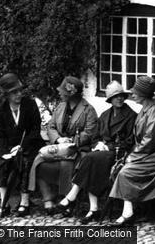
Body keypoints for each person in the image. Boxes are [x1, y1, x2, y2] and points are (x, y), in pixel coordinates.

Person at [59, 80, 137, 224]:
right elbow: (95, 136)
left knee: (90, 159)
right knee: (92, 161)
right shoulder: (105, 115)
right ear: (110, 100)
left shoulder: (131, 116)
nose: (119, 99)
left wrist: (111, 147)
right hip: (103, 153)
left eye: (121, 96)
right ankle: (92, 208)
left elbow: (131, 141)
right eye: (115, 97)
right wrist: (98, 144)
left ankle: (74, 196)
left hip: (119, 154)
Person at [109, 76, 155, 225]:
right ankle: (137, 210)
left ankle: (128, 213)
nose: (132, 95)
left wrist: (133, 157)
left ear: (144, 95)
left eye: (135, 92)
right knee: (121, 168)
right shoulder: (145, 110)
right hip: (150, 153)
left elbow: (150, 140)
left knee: (126, 171)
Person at [28, 76, 98, 215]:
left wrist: (72, 141)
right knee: (38, 162)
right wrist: (59, 140)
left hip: (77, 151)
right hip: (58, 148)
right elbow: (51, 126)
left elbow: (90, 132)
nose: (59, 93)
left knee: (68, 166)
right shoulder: (60, 107)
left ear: (71, 93)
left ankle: (67, 202)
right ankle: (48, 199)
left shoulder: (88, 110)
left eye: (62, 91)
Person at [0, 73, 43, 218]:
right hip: (10, 148)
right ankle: (4, 204)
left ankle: (24, 203)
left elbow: (35, 129)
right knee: (2, 165)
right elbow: (0, 135)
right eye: (14, 92)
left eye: (20, 90)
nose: (18, 94)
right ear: (7, 94)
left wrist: (22, 146)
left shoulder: (30, 105)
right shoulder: (2, 110)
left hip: (30, 145)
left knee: (25, 162)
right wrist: (5, 152)